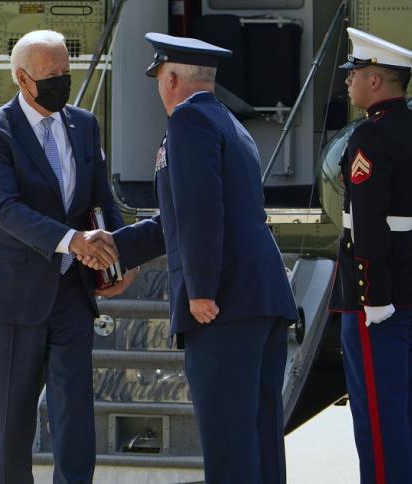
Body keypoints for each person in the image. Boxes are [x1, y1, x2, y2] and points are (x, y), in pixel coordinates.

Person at [81, 33, 298, 484]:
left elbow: (200, 212)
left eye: (159, 78)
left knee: (227, 438)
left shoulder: (188, 122)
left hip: (225, 302)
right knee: (259, 433)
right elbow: (178, 219)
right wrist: (117, 246)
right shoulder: (227, 121)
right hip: (260, 296)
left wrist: (201, 289)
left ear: (172, 78)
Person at [0, 30, 134, 484]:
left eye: (65, 72)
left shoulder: (84, 125)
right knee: (15, 419)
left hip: (72, 290)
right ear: (22, 78)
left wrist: (118, 259)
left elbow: (101, 199)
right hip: (14, 293)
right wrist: (72, 240)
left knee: (74, 409)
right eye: (51, 74)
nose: (62, 81)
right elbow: (5, 209)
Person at [328, 28, 412, 484]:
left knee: (380, 421)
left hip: (378, 302)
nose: (348, 81)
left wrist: (373, 298)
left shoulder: (370, 137)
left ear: (375, 80)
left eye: (354, 73)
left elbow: (366, 223)